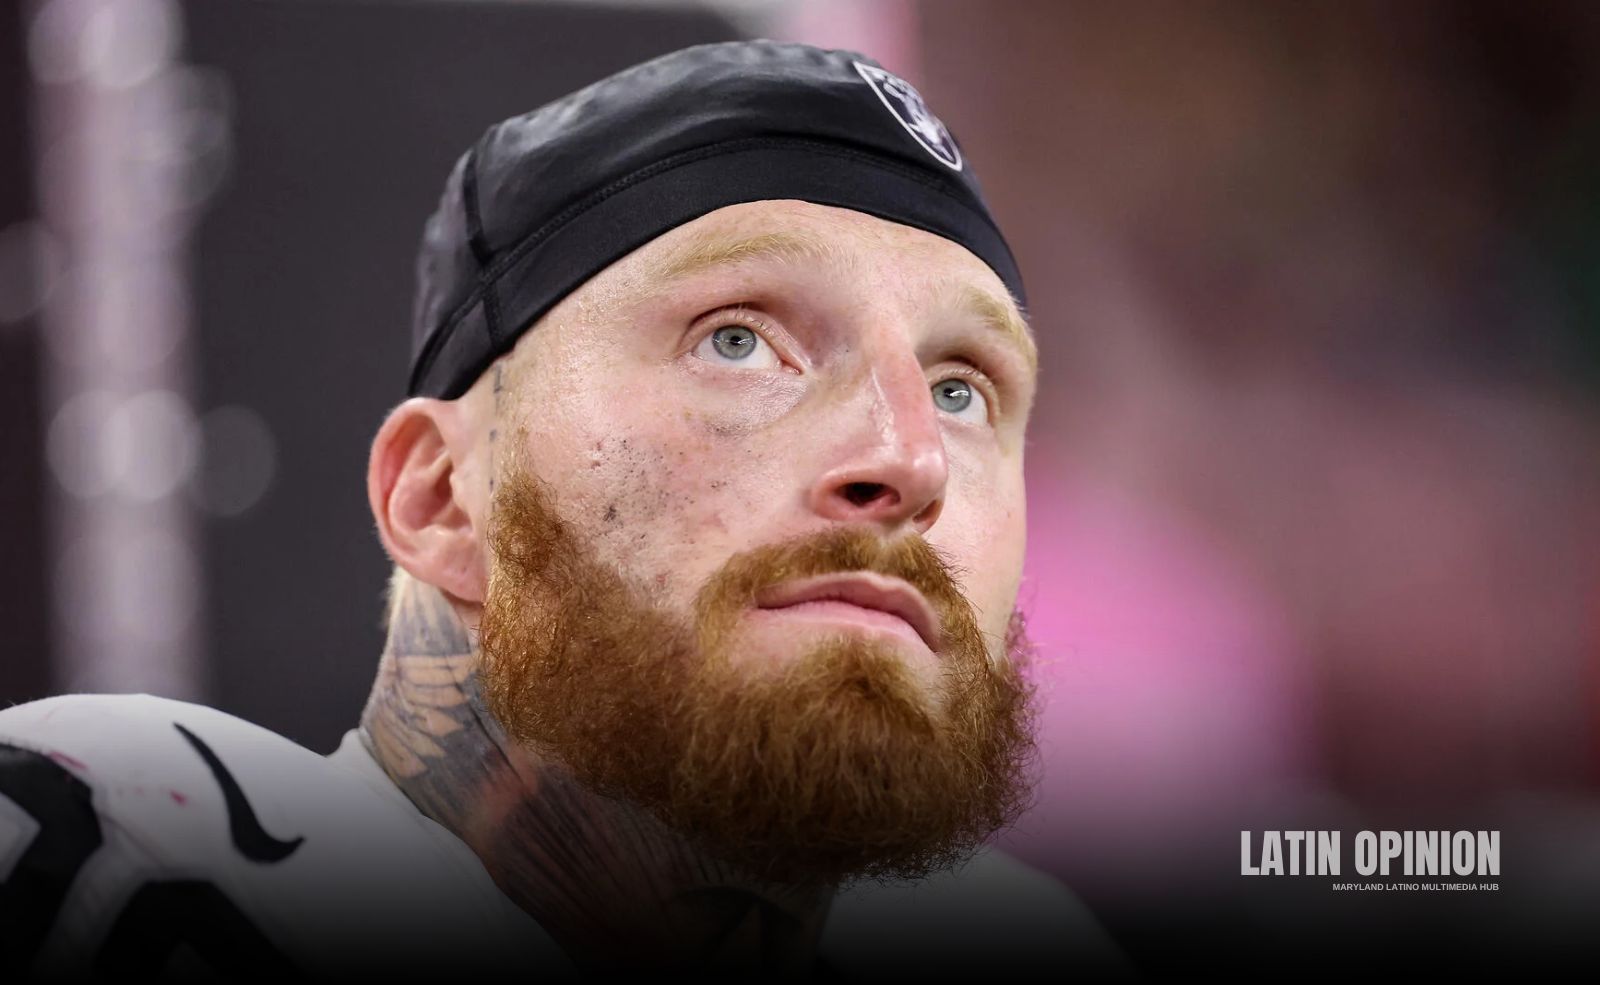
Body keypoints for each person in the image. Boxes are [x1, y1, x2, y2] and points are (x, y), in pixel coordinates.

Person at [0, 41, 1122, 979]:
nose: (910, 457)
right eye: (739, 340)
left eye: (962, 390)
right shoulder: (118, 848)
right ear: (442, 496)